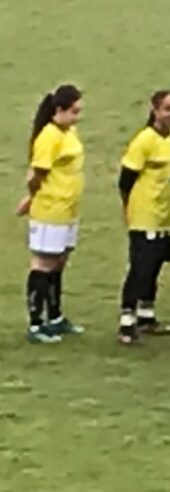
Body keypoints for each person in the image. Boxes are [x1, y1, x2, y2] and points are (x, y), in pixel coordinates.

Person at [116, 88, 170, 342]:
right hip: (145, 216)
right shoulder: (144, 140)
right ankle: (126, 321)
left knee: (155, 265)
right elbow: (125, 180)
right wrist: (129, 209)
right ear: (155, 111)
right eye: (167, 108)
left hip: (165, 216)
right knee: (140, 268)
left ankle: (146, 315)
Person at [20, 83, 83, 343]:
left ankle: (55, 317)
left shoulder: (69, 132)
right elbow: (37, 175)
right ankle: (36, 324)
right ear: (60, 110)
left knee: (60, 261)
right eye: (74, 111)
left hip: (68, 208)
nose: (77, 117)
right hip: (50, 209)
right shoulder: (49, 137)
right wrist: (31, 199)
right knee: (43, 263)